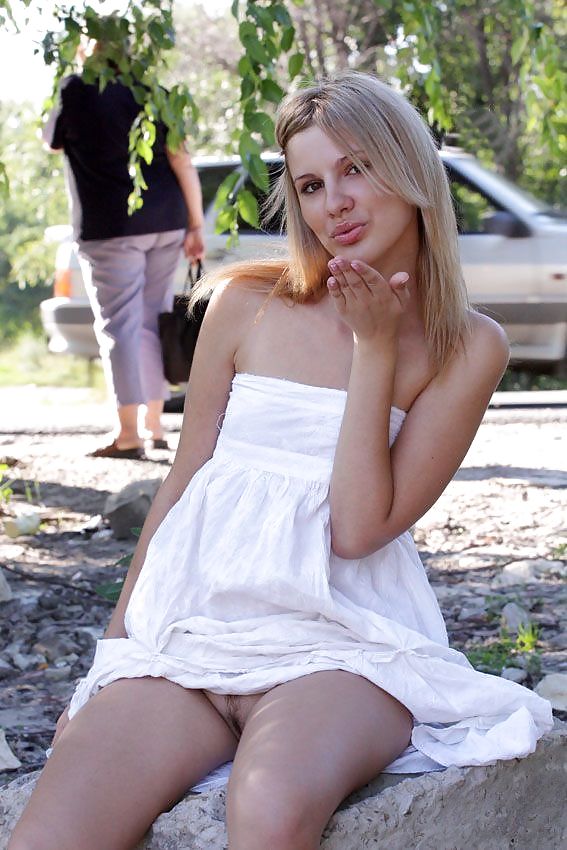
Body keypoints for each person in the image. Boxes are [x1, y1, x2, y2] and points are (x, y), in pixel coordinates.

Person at [11, 71, 552, 850]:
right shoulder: (243, 304)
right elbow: (183, 479)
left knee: (268, 813)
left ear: (408, 168)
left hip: (343, 646)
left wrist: (373, 347)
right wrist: (114, 651)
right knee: (51, 836)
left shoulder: (467, 345)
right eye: (308, 183)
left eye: (355, 168)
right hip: (191, 640)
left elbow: (360, 529)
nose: (333, 200)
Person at [42, 44, 205, 459]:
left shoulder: (75, 89)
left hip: (110, 228)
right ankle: (154, 425)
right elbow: (181, 158)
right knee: (151, 320)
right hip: (167, 221)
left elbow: (51, 142)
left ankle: (129, 434)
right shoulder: (153, 90)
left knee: (121, 327)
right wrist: (196, 222)